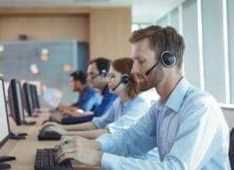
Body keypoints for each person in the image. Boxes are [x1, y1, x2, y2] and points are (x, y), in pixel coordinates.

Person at [55, 25, 230, 169]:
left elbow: (176, 167)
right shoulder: (161, 107)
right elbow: (130, 139)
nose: (133, 71)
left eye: (141, 61)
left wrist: (98, 157)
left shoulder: (200, 107)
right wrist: (93, 145)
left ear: (168, 60)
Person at [42, 58, 151, 139]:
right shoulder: (119, 102)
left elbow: (108, 132)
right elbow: (97, 123)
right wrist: (62, 129)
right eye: (108, 76)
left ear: (126, 79)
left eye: (112, 76)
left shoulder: (139, 105)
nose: (108, 80)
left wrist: (65, 132)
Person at [49, 57, 117, 124]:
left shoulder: (107, 93)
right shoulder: (105, 93)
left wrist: (64, 120)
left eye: (91, 74)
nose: (88, 78)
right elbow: (96, 115)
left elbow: (97, 118)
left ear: (104, 74)